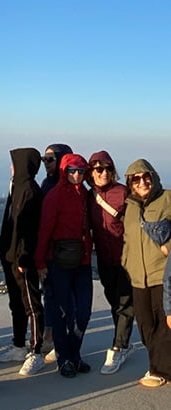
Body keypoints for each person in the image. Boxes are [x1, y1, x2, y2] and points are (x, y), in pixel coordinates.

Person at [34, 153, 93, 378]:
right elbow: (44, 231)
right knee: (61, 312)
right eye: (72, 171)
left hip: (83, 260)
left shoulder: (86, 195)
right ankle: (65, 358)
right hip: (58, 262)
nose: (76, 175)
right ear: (64, 172)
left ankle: (73, 353)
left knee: (83, 312)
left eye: (80, 171)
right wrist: (40, 262)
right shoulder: (54, 196)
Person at [0, 148, 45, 376]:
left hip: (22, 259)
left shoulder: (30, 191)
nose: (11, 168)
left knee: (31, 305)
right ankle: (18, 345)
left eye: (14, 164)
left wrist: (24, 256)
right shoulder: (17, 188)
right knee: (16, 302)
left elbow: (30, 229)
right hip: (10, 256)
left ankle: (36, 351)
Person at [121, 159, 171, 388]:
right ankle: (158, 364)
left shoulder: (167, 199)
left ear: (154, 176)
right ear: (130, 182)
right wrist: (126, 262)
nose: (142, 182)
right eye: (136, 178)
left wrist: (167, 248)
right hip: (138, 277)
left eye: (146, 176)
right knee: (145, 324)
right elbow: (127, 238)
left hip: (162, 273)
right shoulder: (130, 206)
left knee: (164, 324)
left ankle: (160, 370)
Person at [87, 151, 134, 374]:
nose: (104, 173)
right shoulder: (89, 197)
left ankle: (119, 346)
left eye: (107, 168)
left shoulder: (123, 193)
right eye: (98, 169)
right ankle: (123, 340)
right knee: (114, 301)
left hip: (126, 258)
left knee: (125, 303)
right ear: (91, 173)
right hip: (105, 258)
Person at [39, 142, 73, 357]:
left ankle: (59, 339)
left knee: (65, 297)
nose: (46, 164)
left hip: (67, 254)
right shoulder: (46, 184)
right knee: (49, 295)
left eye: (50, 159)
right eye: (44, 160)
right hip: (49, 252)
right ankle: (50, 336)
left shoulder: (70, 186)